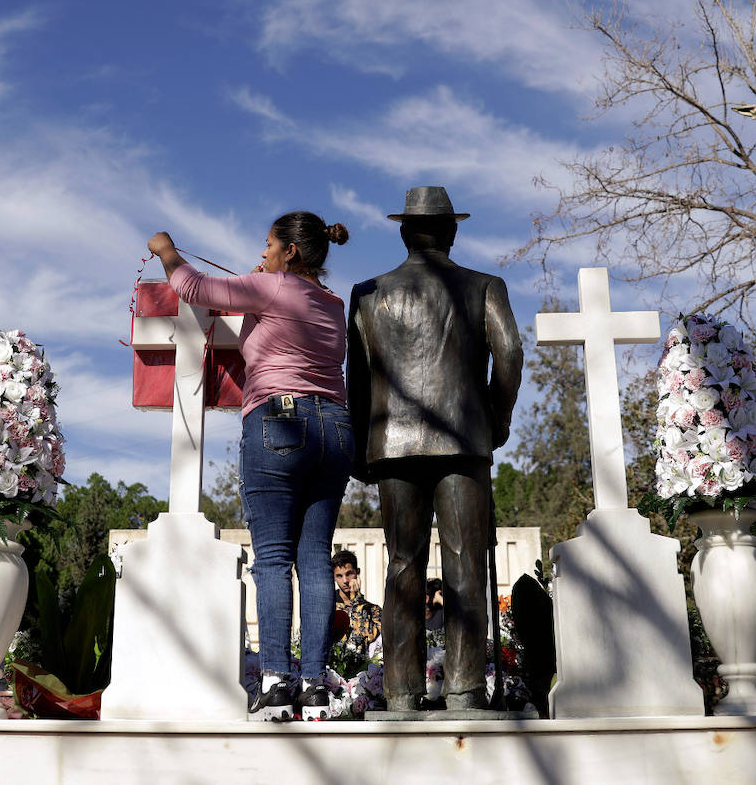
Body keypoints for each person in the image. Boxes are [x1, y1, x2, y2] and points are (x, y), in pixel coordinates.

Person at [147, 212, 351, 722]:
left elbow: (194, 286)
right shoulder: (332, 304)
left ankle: (277, 681)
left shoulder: (272, 286)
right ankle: (315, 686)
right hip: (335, 428)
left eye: (267, 245)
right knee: (315, 559)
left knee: (273, 559)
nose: (261, 255)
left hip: (280, 423)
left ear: (291, 252)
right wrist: (263, 283)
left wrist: (166, 249)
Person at [348, 186, 522, 712]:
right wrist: (497, 415)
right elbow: (510, 352)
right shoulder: (484, 286)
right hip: (463, 440)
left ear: (404, 233)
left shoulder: (367, 293)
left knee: (403, 564)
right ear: (451, 232)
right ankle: (465, 688)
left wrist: (363, 444)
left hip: (393, 443)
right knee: (466, 562)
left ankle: (401, 692)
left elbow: (357, 377)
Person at [331, 549, 381, 653]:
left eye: (349, 574)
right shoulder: (328, 608)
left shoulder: (373, 610)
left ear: (357, 572)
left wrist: (356, 599)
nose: (345, 581)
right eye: (339, 576)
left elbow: (366, 638)